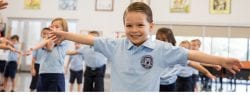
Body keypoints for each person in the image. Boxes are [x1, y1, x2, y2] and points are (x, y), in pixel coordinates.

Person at [49, 2, 241, 91]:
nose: (134, 30)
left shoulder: (160, 49)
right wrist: (64, 34)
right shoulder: (114, 46)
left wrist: (222, 60)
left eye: (140, 25)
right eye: (129, 25)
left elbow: (192, 55)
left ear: (151, 25)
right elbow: (87, 39)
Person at [26, 17, 69, 92]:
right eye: (52, 26)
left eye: (57, 27)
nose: (53, 28)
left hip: (56, 74)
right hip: (43, 73)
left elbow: (50, 47)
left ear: (64, 30)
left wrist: (50, 36)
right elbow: (43, 43)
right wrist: (32, 49)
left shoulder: (63, 39)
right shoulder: (47, 39)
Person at [29, 28, 49, 92]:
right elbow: (34, 57)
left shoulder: (50, 45)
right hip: (37, 65)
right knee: (34, 80)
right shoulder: (37, 45)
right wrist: (32, 68)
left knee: (43, 82)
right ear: (41, 34)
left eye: (47, 34)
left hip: (46, 66)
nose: (45, 35)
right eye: (44, 33)